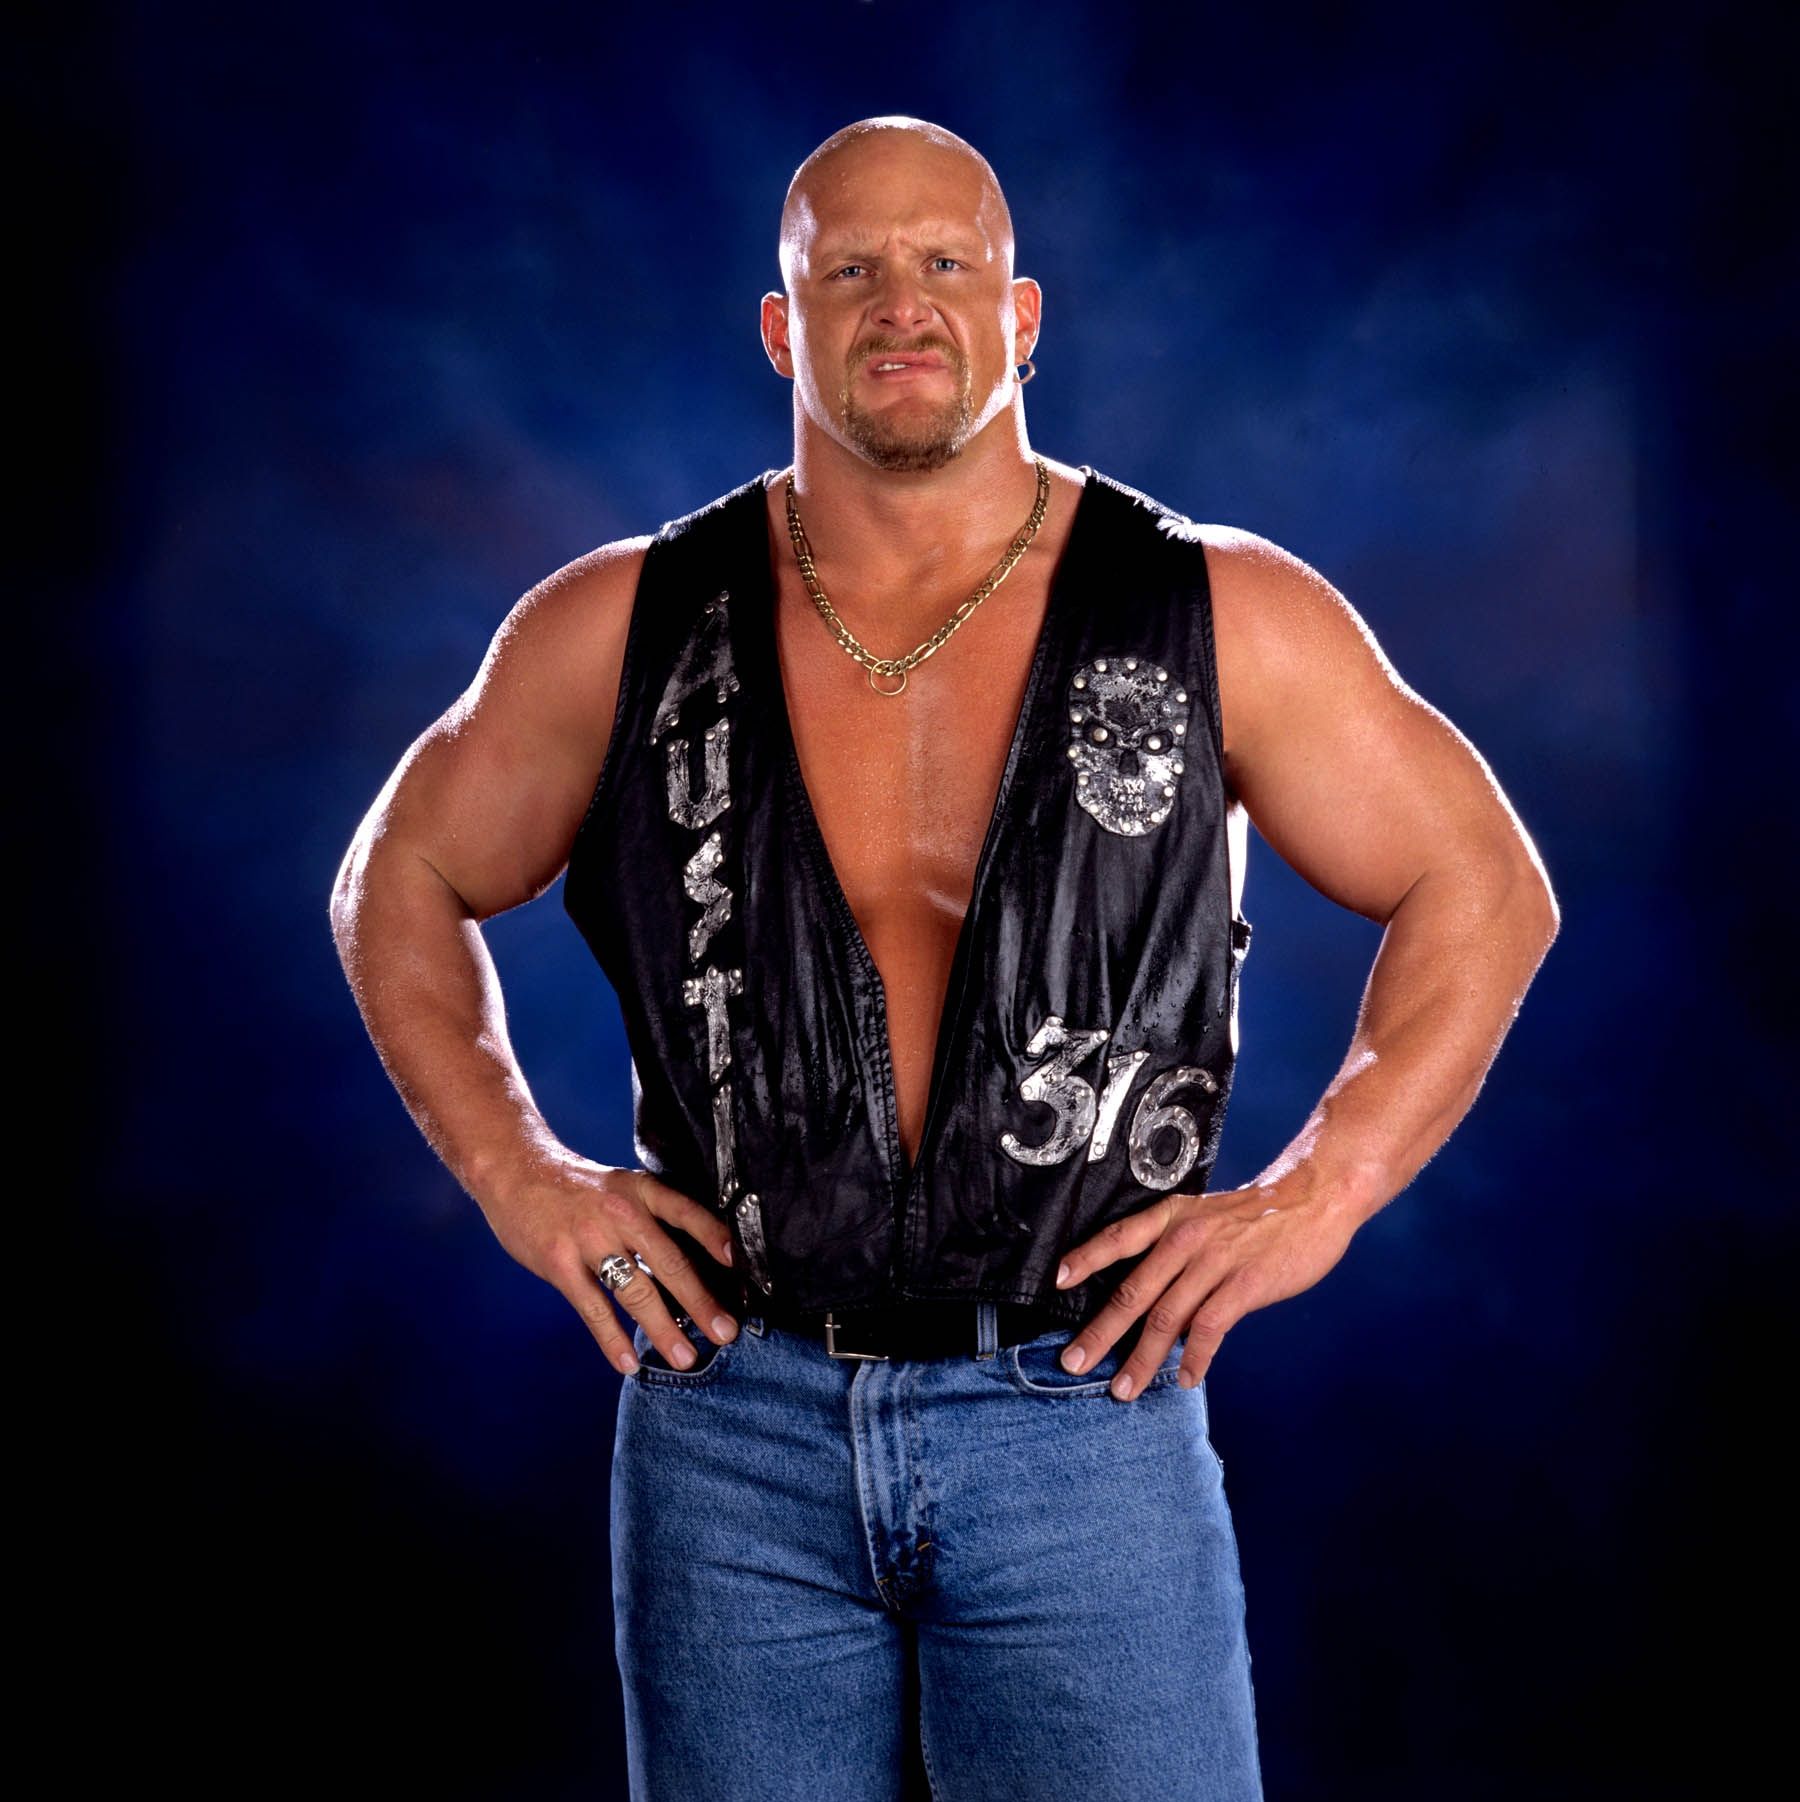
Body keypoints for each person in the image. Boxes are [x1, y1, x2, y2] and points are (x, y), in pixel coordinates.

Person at [330, 114, 1559, 1802]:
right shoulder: (620, 622)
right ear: (784, 328)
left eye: (945, 264)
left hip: (1082, 1402)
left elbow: (1482, 882)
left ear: (1020, 315)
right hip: (731, 1417)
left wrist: (1321, 1191)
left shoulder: (1217, 609)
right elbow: (395, 872)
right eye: (849, 268)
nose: (899, 301)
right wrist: (517, 1172)